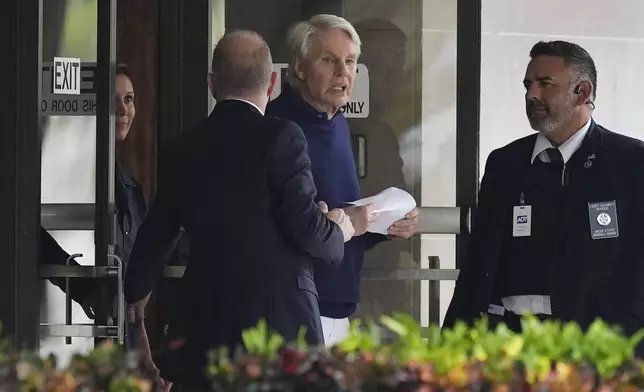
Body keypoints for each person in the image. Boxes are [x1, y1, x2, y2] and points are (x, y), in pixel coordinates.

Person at [123, 30, 355, 388]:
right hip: (281, 334)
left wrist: (135, 291)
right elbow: (306, 230)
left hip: (205, 332)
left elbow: (158, 232)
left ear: (212, 83)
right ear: (273, 81)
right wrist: (339, 229)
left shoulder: (182, 149)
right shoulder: (283, 138)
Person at [443, 40, 644, 356]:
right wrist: (452, 344)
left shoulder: (631, 163)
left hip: (594, 350)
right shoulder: (505, 163)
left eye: (544, 84)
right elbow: (478, 262)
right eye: (527, 85)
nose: (531, 94)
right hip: (507, 348)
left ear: (582, 92)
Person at [266, 14, 420, 346]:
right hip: (293, 309)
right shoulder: (279, 128)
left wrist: (385, 226)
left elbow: (343, 218)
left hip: (339, 309)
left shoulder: (337, 122)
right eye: (329, 60)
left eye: (350, 62)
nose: (343, 72)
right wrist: (342, 223)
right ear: (299, 67)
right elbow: (278, 224)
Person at [40, 64, 155, 321]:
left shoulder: (129, 185)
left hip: (118, 329)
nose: (123, 110)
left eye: (128, 99)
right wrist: (81, 287)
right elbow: (30, 235)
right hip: (67, 325)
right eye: (111, 99)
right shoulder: (64, 173)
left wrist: (140, 334)